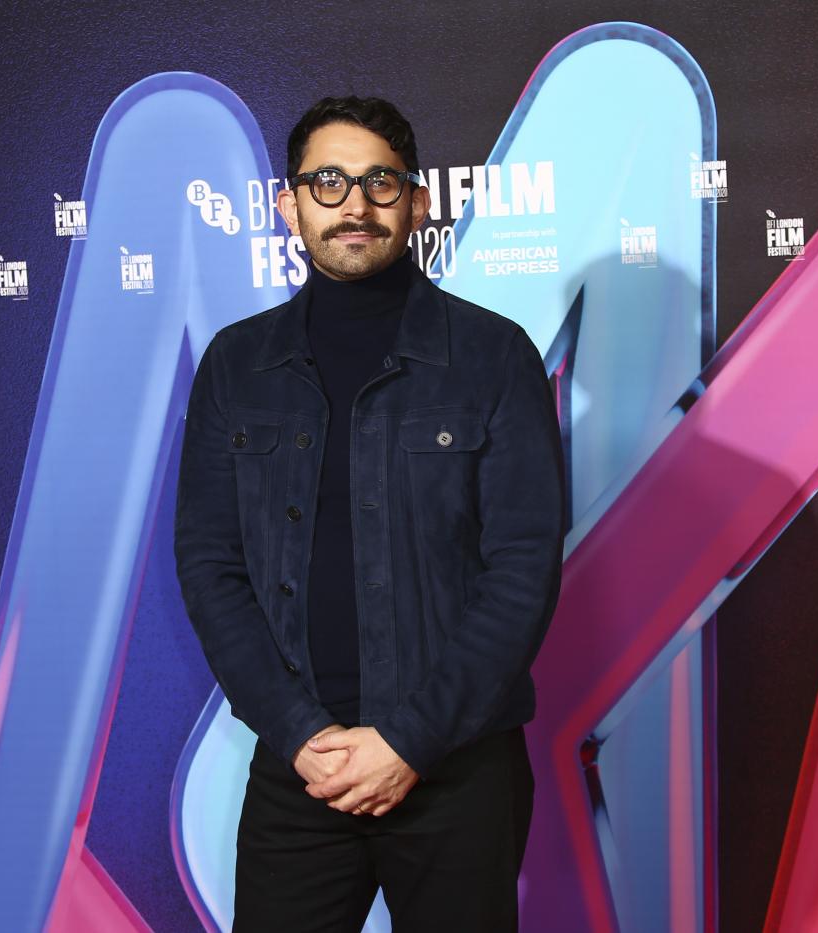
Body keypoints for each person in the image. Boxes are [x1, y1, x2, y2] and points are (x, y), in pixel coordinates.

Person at [173, 95, 567, 933]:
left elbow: (524, 567)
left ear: (417, 203)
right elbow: (210, 567)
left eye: (379, 182)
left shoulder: (494, 356)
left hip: (457, 767)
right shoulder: (237, 365)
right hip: (301, 770)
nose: (354, 204)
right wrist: (298, 734)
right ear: (289, 206)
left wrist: (410, 740)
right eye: (328, 182)